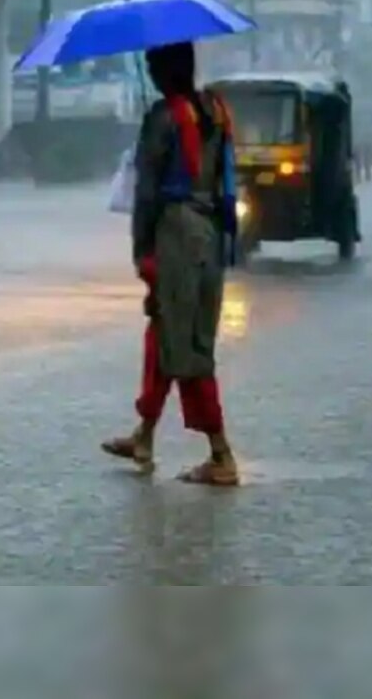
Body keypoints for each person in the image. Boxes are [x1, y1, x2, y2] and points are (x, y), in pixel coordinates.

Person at [101, 42, 241, 487]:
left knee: (186, 347)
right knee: (165, 331)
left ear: (165, 70)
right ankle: (144, 435)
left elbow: (145, 192)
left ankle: (221, 454)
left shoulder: (162, 118)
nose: (151, 72)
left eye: (152, 65)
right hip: (211, 232)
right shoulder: (216, 110)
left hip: (176, 232)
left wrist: (142, 249)